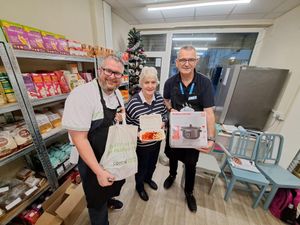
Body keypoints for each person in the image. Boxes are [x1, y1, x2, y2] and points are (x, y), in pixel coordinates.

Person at [62, 55, 126, 225]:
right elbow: (79, 139)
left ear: (122, 76)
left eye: (117, 73)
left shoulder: (117, 92)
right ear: (100, 70)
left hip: (112, 153)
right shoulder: (82, 96)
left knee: (112, 183)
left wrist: (120, 116)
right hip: (92, 158)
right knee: (96, 197)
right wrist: (99, 171)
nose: (112, 76)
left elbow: (119, 113)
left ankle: (109, 200)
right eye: (108, 71)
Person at [163, 46, 216, 213]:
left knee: (191, 164)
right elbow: (165, 100)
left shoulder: (204, 83)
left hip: (195, 133)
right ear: (177, 62)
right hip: (176, 131)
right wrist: (171, 109)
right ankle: (172, 175)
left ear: (196, 61)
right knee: (172, 156)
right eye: (183, 60)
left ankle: (189, 192)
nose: (186, 63)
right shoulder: (170, 82)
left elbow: (209, 112)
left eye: (190, 59)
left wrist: (211, 139)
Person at [126, 66, 168, 201]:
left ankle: (148, 180)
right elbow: (128, 126)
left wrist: (164, 122)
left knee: (153, 165)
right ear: (141, 84)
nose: (150, 86)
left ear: (156, 83)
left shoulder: (160, 99)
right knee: (141, 167)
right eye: (146, 82)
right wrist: (138, 134)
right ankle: (139, 186)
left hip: (156, 141)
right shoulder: (133, 103)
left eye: (153, 82)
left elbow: (164, 115)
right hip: (142, 145)